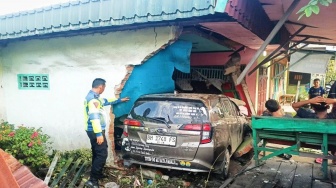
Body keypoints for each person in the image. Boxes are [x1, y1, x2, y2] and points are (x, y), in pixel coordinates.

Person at [84, 78, 129, 188]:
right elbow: (94, 117)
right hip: (95, 131)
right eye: (104, 87)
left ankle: (97, 174)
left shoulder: (94, 98)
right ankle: (92, 181)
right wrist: (99, 134)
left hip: (93, 130)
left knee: (96, 152)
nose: (104, 89)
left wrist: (119, 100)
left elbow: (106, 101)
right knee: (102, 154)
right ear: (101, 87)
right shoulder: (92, 100)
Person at [292, 96, 336, 164]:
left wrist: (309, 101)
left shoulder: (308, 115)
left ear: (313, 108)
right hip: (331, 144)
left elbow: (294, 105)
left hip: (310, 143)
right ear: (328, 107)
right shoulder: (333, 117)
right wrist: (333, 100)